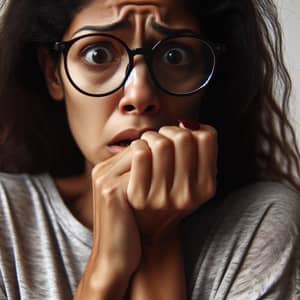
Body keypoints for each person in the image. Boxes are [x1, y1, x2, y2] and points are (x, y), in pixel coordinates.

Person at [0, 0, 300, 299]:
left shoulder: (262, 224)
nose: (139, 94)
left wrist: (157, 240)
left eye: (174, 55)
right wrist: (104, 273)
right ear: (54, 73)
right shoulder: (6, 218)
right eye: (98, 54)